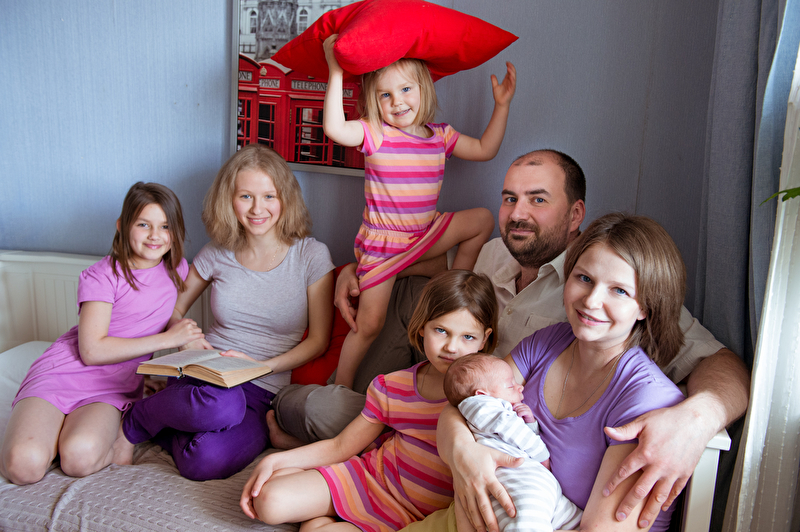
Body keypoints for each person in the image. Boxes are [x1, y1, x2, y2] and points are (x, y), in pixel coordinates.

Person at [272, 149, 750, 529]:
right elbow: (434, 275)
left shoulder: (615, 309)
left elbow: (721, 363)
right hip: (461, 420)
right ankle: (296, 429)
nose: (518, 213)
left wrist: (700, 416)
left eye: (538, 199)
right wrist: (361, 271)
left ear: (575, 213)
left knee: (334, 416)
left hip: (491, 463)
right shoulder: (498, 263)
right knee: (324, 407)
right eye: (509, 198)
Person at [437, 213, 693, 532]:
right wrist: (465, 455)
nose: (592, 301)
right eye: (584, 278)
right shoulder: (548, 342)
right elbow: (461, 404)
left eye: (619, 291)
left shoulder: (646, 398)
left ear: (645, 306)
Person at [119, 144, 334, 481]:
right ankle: (139, 417)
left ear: (286, 199)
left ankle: (168, 414)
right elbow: (174, 308)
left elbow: (319, 340)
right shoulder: (217, 252)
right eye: (246, 196)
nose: (257, 209)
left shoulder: (311, 255)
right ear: (229, 200)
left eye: (269, 196)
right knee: (222, 405)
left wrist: (262, 366)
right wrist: (187, 339)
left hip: (264, 390)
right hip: (207, 377)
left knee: (203, 461)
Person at [321, 33, 516, 388]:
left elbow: (485, 149)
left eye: (406, 89)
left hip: (426, 234)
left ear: (424, 89)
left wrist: (501, 105)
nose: (397, 101)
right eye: (385, 95)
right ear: (374, 101)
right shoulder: (376, 133)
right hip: (385, 245)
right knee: (369, 326)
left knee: (482, 220)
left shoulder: (440, 136)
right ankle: (340, 388)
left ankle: (453, 291)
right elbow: (334, 128)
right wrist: (336, 70)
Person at [239, 270, 499, 531]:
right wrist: (273, 460)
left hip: (410, 518)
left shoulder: (489, 397)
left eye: (467, 337)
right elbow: (341, 446)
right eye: (441, 330)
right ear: (422, 327)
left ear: (484, 338)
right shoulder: (392, 386)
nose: (452, 347)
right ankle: (322, 501)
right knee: (268, 501)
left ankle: (320, 517)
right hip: (366, 481)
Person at [0, 182, 201, 485]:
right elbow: (91, 351)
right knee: (22, 467)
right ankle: (46, 438)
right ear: (122, 225)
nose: (155, 235)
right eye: (143, 224)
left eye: (165, 226)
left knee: (78, 460)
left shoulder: (177, 270)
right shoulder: (102, 275)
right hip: (62, 373)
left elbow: (167, 313)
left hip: (111, 387)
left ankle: (98, 432)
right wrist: (168, 340)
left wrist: (189, 343)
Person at [444, 353, 583, 532]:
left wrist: (530, 423)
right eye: (510, 385)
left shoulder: (491, 413)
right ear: (481, 394)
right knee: (526, 524)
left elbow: (514, 434)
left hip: (539, 486)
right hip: (520, 484)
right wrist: (542, 456)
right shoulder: (481, 406)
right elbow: (515, 432)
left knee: (576, 521)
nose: (520, 387)